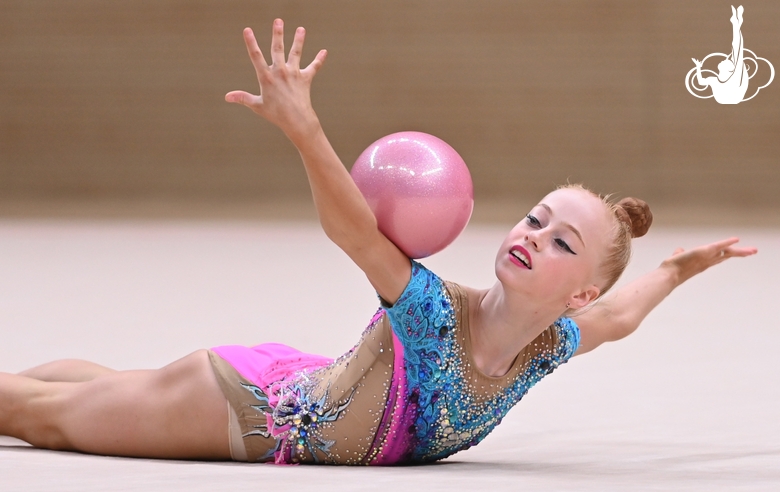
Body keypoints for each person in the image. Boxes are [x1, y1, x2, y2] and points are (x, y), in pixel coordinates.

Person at [0, 20, 757, 465]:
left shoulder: (548, 344)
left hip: (301, 381)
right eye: (534, 219)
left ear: (580, 292)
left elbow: (621, 317)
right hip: (251, 414)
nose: (533, 237)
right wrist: (306, 129)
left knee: (86, 390)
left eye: (562, 244)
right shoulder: (432, 313)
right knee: (42, 418)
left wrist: (680, 267)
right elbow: (355, 230)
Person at [692, 5, 748, 104]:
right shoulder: (716, 80)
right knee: (737, 52)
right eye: (727, 60)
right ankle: (736, 23)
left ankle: (736, 23)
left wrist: (698, 68)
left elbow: (737, 49)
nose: (724, 59)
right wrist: (698, 67)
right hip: (731, 97)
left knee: (737, 51)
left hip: (732, 96)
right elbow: (700, 82)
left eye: (727, 61)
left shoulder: (730, 78)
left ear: (729, 69)